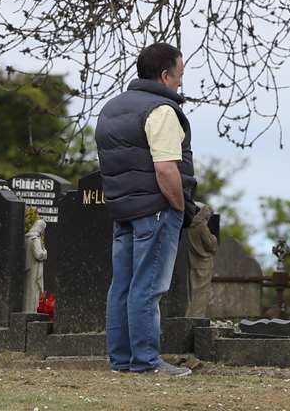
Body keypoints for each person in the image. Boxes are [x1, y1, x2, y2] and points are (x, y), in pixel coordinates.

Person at [96, 41, 197, 376]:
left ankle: (121, 360)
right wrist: (180, 207)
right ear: (165, 75)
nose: (181, 83)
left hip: (123, 209)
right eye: (179, 76)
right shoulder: (162, 111)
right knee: (147, 286)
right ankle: (146, 362)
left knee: (121, 286)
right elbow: (166, 169)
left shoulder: (110, 108)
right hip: (156, 209)